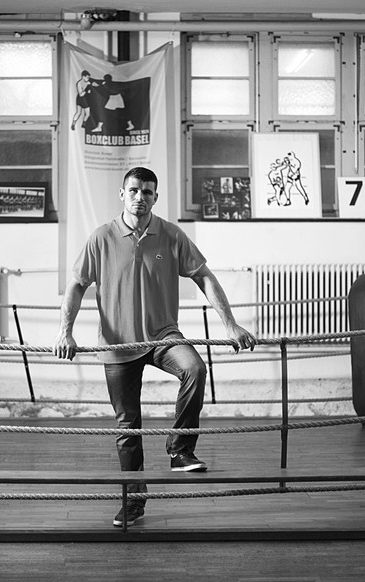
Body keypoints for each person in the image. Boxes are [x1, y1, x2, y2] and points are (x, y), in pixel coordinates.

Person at [53, 166, 257, 528]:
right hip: (118, 346)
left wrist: (230, 324)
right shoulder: (100, 238)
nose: (140, 197)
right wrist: (65, 332)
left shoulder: (170, 234)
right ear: (122, 194)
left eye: (147, 192)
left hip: (163, 336)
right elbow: (76, 285)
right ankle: (134, 501)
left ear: (155, 197)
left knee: (194, 368)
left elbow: (204, 277)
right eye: (134, 190)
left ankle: (180, 449)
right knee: (127, 426)